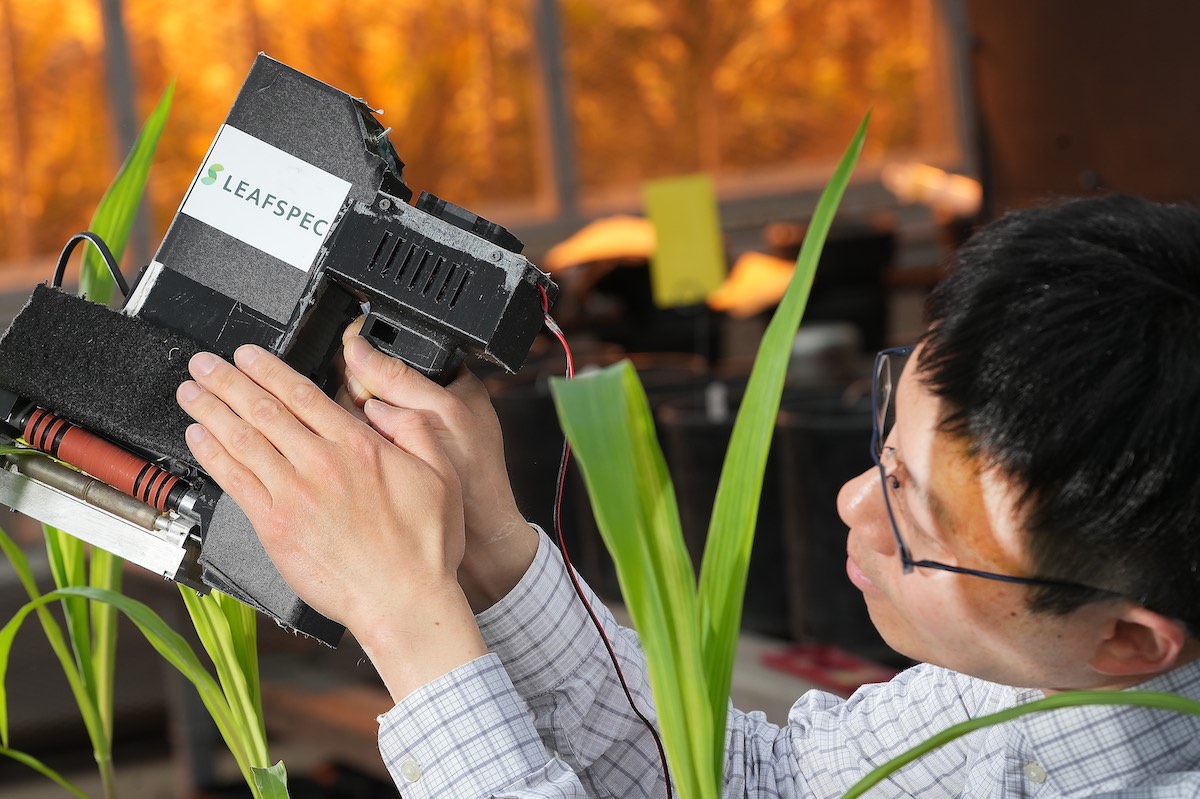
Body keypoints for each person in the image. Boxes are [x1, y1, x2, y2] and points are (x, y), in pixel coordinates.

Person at [174, 192, 1200, 797]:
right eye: (888, 450)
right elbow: (757, 782)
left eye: (915, 519)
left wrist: (409, 622)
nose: (852, 504)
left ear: (1128, 640)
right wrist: (488, 545)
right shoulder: (1045, 675)